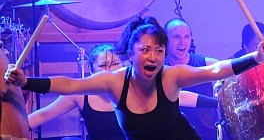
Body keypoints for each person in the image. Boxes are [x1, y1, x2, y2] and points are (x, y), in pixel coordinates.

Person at [6, 16, 264, 139]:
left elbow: (215, 71)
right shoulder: (114, 81)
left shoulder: (171, 76)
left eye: (159, 50)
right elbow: (71, 85)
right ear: (131, 53)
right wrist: (27, 82)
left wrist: (256, 58)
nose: (153, 56)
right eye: (145, 49)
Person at [28, 44, 219, 140]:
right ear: (92, 69)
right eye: (103, 66)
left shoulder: (135, 85)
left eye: (115, 64)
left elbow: (182, 96)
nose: (110, 71)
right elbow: (43, 114)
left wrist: (217, 104)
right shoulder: (81, 95)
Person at [163, 18, 220, 140]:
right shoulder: (159, 70)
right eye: (176, 37)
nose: (182, 42)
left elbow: (231, 70)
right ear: (165, 39)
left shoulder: (205, 63)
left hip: (206, 134)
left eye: (187, 36)